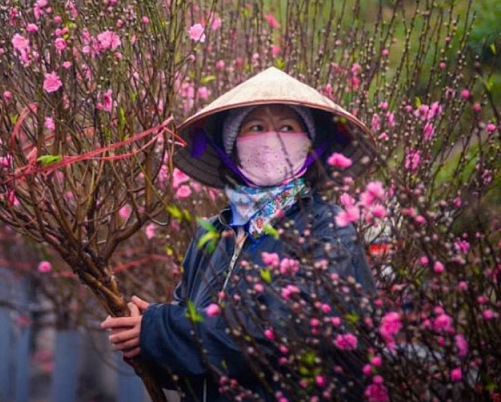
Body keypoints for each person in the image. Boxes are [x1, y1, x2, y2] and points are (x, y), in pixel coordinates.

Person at [102, 67, 377, 401]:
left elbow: (286, 334)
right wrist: (145, 343)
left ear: (308, 146)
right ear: (232, 148)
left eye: (287, 127)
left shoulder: (327, 228)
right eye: (256, 127)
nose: (272, 138)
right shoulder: (214, 236)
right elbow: (196, 362)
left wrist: (163, 328)